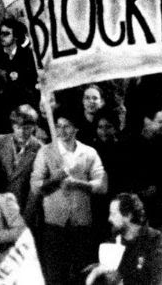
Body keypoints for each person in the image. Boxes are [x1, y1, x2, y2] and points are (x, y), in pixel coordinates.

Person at [30, 109, 107, 284]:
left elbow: (101, 185)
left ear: (76, 128)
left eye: (67, 126)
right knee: (56, 276)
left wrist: (79, 184)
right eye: (58, 126)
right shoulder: (46, 152)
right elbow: (35, 187)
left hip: (82, 226)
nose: (62, 131)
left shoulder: (89, 153)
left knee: (84, 275)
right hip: (54, 227)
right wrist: (54, 180)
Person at [87, 193, 162, 285]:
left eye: (113, 214)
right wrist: (96, 272)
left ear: (128, 216)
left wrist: (120, 281)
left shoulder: (157, 241)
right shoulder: (114, 242)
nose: (109, 219)